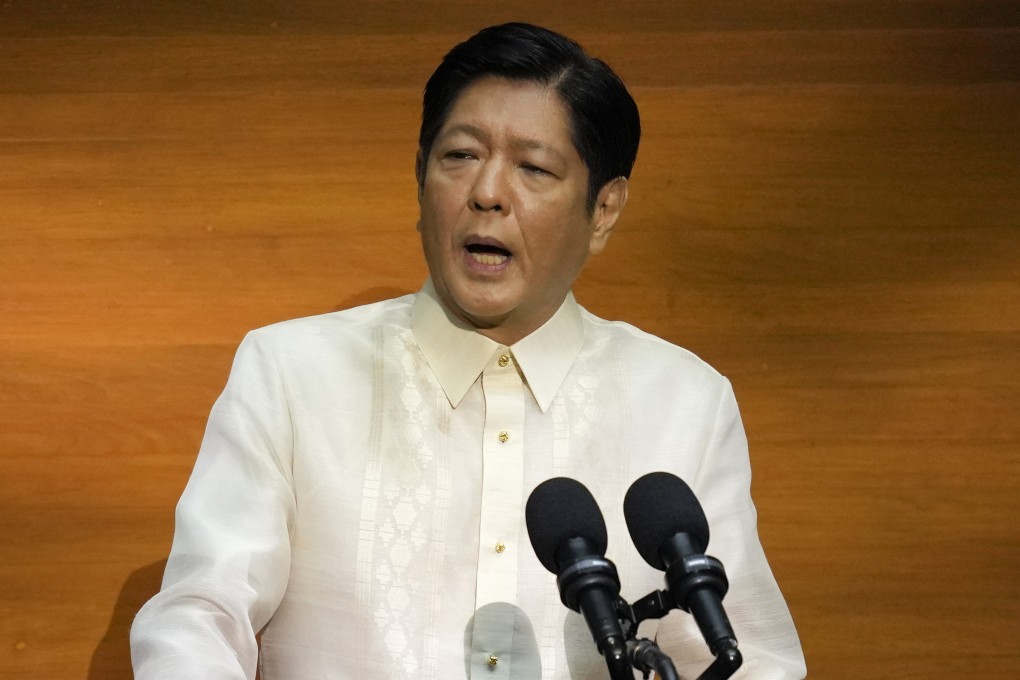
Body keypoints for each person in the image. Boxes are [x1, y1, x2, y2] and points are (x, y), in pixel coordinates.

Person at [131, 22, 806, 679]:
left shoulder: (683, 401)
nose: (486, 194)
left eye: (534, 168)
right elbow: (199, 616)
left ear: (603, 211)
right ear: (419, 176)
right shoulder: (290, 375)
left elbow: (743, 655)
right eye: (460, 156)